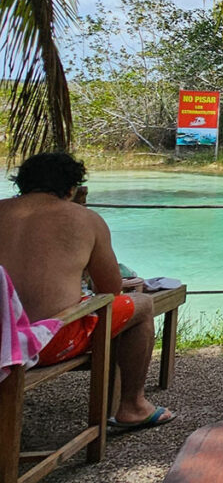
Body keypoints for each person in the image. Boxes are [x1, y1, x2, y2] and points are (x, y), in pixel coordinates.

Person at [0, 152, 174, 429]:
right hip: (42, 342)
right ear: (72, 188)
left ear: (21, 184)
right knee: (141, 305)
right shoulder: (85, 219)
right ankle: (133, 405)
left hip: (2, 337)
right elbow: (110, 290)